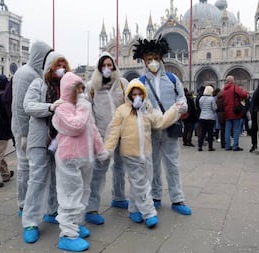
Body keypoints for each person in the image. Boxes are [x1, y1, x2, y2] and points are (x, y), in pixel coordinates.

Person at [104, 79, 181, 228]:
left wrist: (175, 110)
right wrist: (107, 150)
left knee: (143, 181)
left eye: (140, 94)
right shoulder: (122, 110)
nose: (137, 97)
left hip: (146, 152)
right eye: (134, 94)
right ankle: (149, 212)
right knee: (141, 184)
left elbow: (160, 122)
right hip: (130, 152)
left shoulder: (147, 109)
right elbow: (114, 131)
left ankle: (134, 209)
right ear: (129, 95)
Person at [133, 37, 191, 215]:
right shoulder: (140, 81)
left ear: (161, 59)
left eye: (156, 59)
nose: (153, 63)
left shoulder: (173, 79)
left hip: (170, 127)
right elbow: (135, 101)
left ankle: (177, 198)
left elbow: (181, 98)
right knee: (153, 165)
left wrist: (181, 107)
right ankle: (156, 196)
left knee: (172, 164)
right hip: (150, 130)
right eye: (149, 60)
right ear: (144, 61)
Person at [52, 72, 108, 252]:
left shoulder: (83, 107)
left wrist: (101, 151)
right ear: (69, 89)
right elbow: (75, 126)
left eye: (83, 87)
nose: (82, 91)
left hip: (85, 158)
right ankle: (67, 234)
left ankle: (76, 223)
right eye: (79, 88)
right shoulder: (62, 108)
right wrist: (84, 107)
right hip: (69, 158)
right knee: (70, 195)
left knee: (84, 192)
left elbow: (93, 130)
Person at [22, 51, 70, 243]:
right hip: (40, 139)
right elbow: (28, 105)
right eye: (58, 65)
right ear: (50, 66)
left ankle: (53, 210)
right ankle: (30, 221)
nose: (62, 69)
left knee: (59, 178)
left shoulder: (68, 86)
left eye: (64, 65)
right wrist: (50, 107)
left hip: (61, 140)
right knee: (38, 179)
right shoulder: (38, 84)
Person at [84, 52, 129, 225]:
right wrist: (93, 133)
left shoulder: (122, 83)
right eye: (104, 65)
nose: (107, 68)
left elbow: (128, 104)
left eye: (110, 65)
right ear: (99, 67)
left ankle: (118, 197)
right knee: (98, 171)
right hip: (102, 135)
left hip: (121, 133)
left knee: (120, 167)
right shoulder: (92, 86)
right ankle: (91, 207)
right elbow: (86, 109)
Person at [11, 40, 53, 216]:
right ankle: (23, 204)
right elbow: (20, 106)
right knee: (25, 167)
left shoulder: (38, 73)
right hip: (24, 128)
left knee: (34, 168)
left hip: (36, 128)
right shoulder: (24, 74)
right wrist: (24, 134)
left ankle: (34, 203)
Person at [221, 75, 248, 151]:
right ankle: (235, 146)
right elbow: (244, 95)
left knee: (227, 129)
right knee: (236, 129)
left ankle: (227, 146)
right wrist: (244, 93)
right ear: (231, 81)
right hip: (235, 111)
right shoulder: (235, 87)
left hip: (227, 112)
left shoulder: (224, 90)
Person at [198, 85, 217, 151]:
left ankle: (200, 146)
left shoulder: (201, 98)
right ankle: (210, 147)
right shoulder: (212, 99)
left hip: (202, 117)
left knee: (202, 132)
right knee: (210, 133)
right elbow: (214, 108)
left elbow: (200, 107)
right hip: (210, 117)